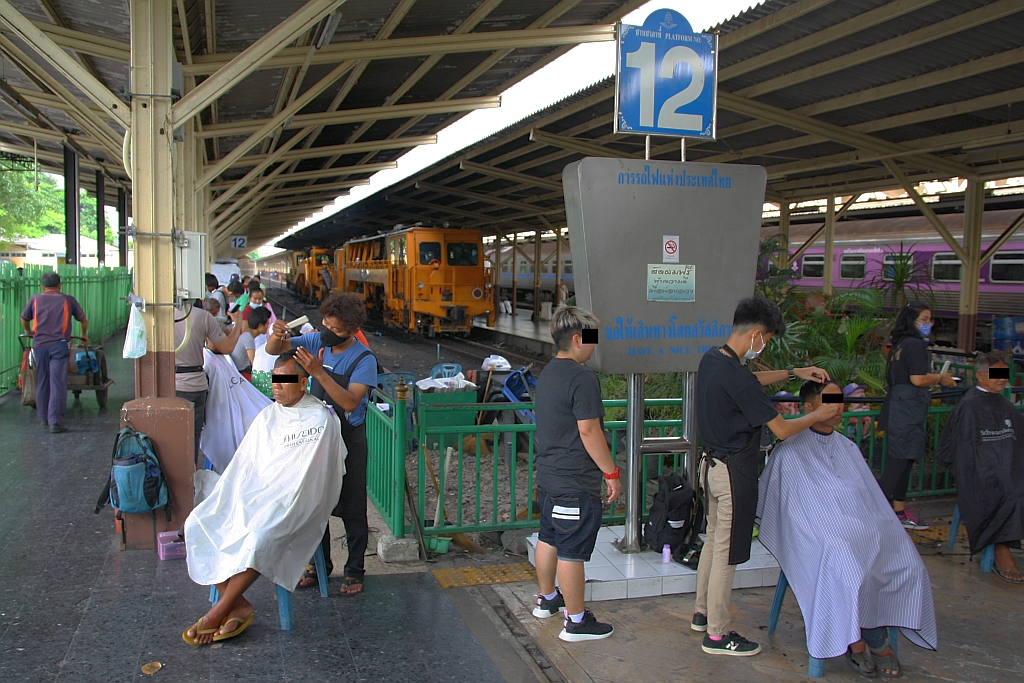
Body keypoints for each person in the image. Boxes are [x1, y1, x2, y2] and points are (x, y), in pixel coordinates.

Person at [691, 296, 839, 657]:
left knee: (713, 541)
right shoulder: (737, 377)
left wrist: (794, 373)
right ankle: (717, 634)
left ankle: (701, 612)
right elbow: (784, 430)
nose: (765, 346)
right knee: (728, 554)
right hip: (732, 474)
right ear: (757, 335)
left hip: (709, 468)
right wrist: (822, 414)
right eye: (768, 340)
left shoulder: (714, 359)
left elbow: (750, 379)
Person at [758, 380, 937, 676]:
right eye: (828, 400)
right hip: (818, 535)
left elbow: (870, 499)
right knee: (844, 558)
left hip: (858, 527)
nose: (837, 406)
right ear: (809, 407)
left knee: (901, 550)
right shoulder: (788, 452)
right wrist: (834, 528)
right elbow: (792, 512)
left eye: (839, 399)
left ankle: (869, 631)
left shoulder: (848, 447)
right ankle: (861, 641)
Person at [182, 352, 345, 645]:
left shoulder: (320, 419)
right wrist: (244, 496)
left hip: (296, 501)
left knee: (260, 535)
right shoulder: (268, 415)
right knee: (198, 523)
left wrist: (274, 498)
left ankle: (220, 608)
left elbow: (312, 478)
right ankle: (239, 605)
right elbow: (246, 465)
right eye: (274, 380)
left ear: (304, 383)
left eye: (285, 381)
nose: (276, 387)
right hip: (256, 492)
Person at [266, 292, 377, 596]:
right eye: (324, 324)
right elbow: (274, 349)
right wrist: (277, 336)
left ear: (352, 331)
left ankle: (355, 570)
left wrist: (318, 373)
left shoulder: (364, 360)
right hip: (316, 438)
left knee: (352, 506)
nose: (327, 332)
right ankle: (319, 566)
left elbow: (351, 402)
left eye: (336, 330)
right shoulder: (317, 342)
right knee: (316, 505)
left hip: (349, 439)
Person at [531, 305, 621, 642]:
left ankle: (548, 599)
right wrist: (611, 473)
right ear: (577, 339)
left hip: (550, 477)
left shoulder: (549, 372)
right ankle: (576, 621)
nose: (594, 346)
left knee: (549, 537)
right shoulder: (583, 378)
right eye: (592, 339)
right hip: (574, 480)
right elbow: (589, 431)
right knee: (571, 550)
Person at [938, 351, 1024, 584]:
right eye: (996, 375)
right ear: (979, 376)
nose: (1002, 379)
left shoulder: (1005, 406)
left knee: (1016, 483)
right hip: (980, 473)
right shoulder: (969, 407)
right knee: (1008, 491)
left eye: (1004, 375)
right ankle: (1000, 549)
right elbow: (961, 450)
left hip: (1003, 467)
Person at [878, 303, 957, 530]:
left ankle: (899, 511)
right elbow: (918, 379)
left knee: (905, 462)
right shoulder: (914, 345)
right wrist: (940, 378)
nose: (928, 324)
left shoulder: (900, 344)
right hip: (906, 411)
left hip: (902, 408)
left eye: (930, 320)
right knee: (897, 465)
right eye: (924, 319)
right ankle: (874, 512)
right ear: (911, 320)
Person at [175, 300, 243, 467]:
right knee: (191, 437)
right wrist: (239, 322)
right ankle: (189, 479)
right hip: (193, 385)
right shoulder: (203, 317)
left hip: (165, 385)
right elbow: (226, 348)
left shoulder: (156, 315)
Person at [20, 272, 88, 433]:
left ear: (42, 287)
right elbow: (83, 319)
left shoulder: (35, 299)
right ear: (60, 285)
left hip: (39, 346)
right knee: (57, 382)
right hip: (59, 345)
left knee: (42, 380)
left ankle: (43, 418)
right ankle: (55, 422)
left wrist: (28, 331)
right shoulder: (68, 300)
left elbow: (24, 318)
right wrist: (84, 334)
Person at [231, 307, 271, 376]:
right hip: (241, 374)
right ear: (260, 325)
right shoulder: (248, 338)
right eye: (267, 324)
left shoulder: (247, 334)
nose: (268, 326)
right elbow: (255, 365)